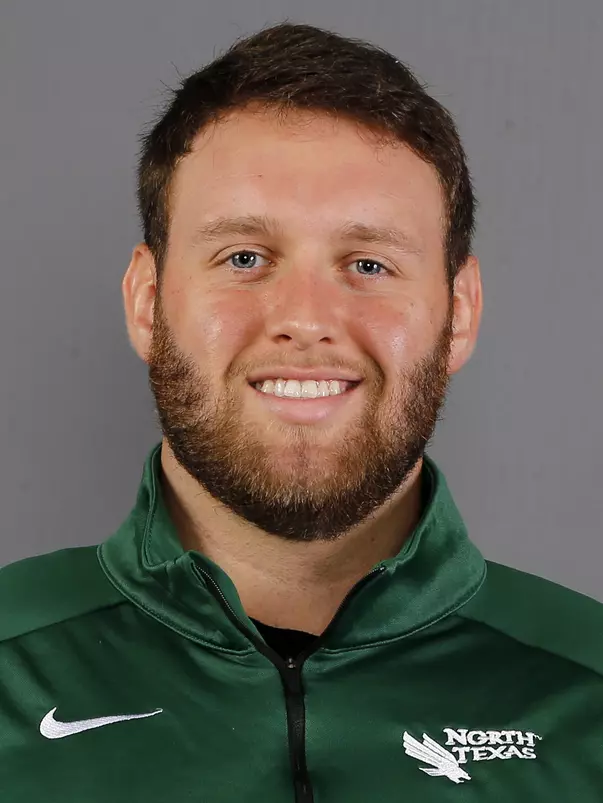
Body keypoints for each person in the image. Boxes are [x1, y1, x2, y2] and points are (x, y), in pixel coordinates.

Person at [1, 21, 601, 802]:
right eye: (244, 257)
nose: (305, 318)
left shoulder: (586, 698)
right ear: (147, 302)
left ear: (458, 313)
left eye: (368, 264)